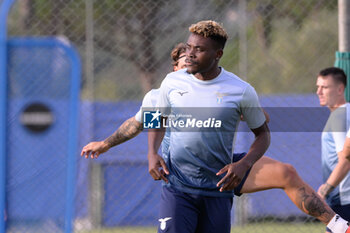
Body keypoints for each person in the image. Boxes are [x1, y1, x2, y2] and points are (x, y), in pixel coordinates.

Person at [147, 20, 350, 233]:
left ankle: (339, 225)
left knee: (286, 172)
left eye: (198, 50)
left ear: (218, 55)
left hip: (220, 174)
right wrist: (149, 152)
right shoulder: (165, 87)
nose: (189, 55)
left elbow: (263, 127)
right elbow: (146, 121)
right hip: (180, 182)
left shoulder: (237, 90)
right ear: (174, 67)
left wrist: (244, 159)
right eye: (187, 49)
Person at [80, 43, 186, 158]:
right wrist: (105, 144)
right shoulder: (156, 100)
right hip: (177, 171)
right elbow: (138, 124)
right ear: (175, 69)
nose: (189, 72)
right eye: (185, 67)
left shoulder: (207, 96)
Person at [315, 67, 350, 233]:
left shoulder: (339, 116)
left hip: (344, 200)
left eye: (324, 87)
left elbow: (346, 160)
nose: (319, 92)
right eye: (318, 87)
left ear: (340, 89)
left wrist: (324, 190)